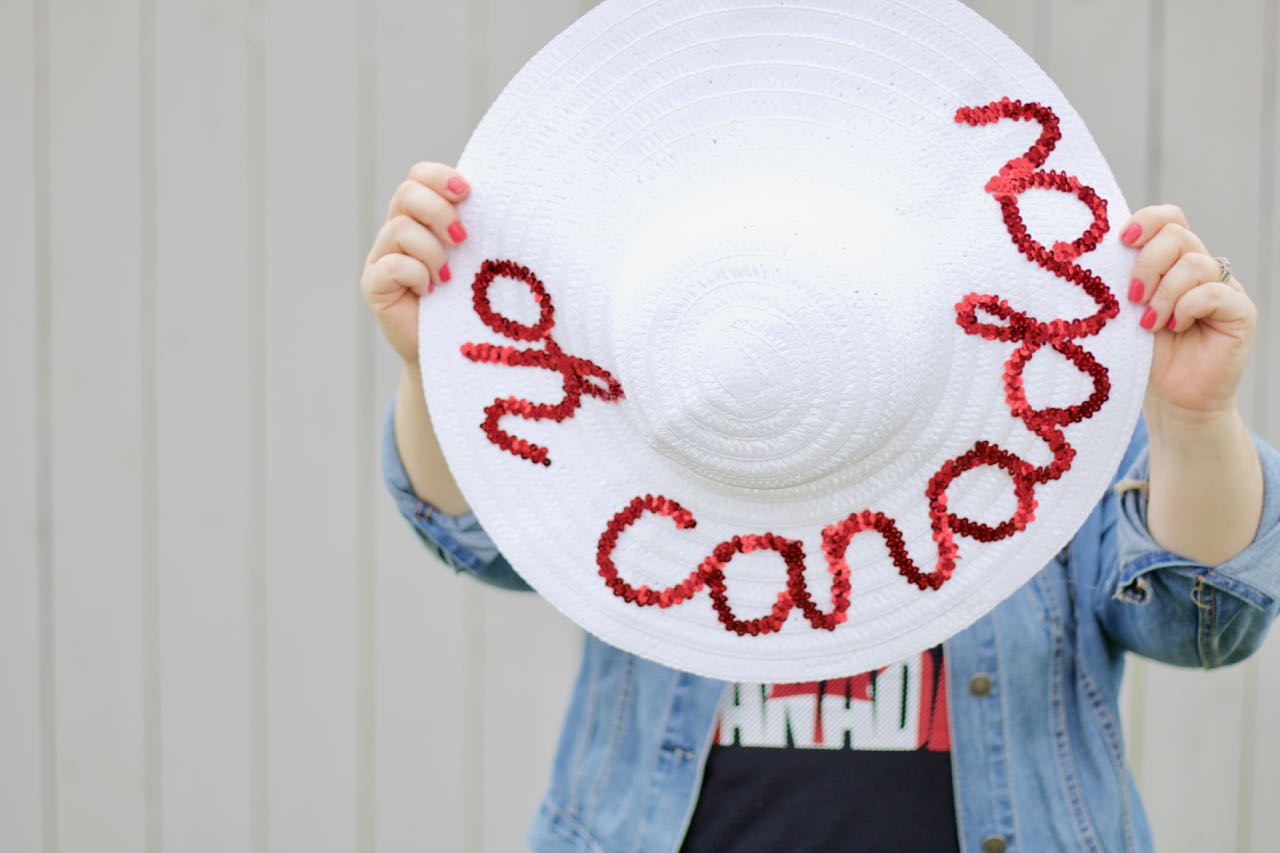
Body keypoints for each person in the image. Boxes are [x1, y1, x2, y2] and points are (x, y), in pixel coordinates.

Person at [360, 161, 1280, 852]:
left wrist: (1193, 418)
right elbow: (483, 533)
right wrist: (431, 365)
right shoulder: (643, 372)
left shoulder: (1048, 395)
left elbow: (1202, 619)